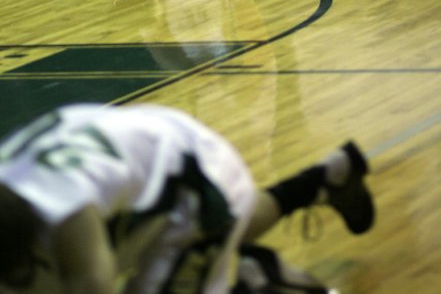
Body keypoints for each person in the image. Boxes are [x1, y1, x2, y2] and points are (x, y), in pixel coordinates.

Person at [0, 102, 375, 293]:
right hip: (156, 141)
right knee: (234, 214)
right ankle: (324, 179)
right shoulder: (23, 196)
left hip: (192, 173)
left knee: (222, 215)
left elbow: (94, 284)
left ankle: (254, 285)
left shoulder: (64, 209)